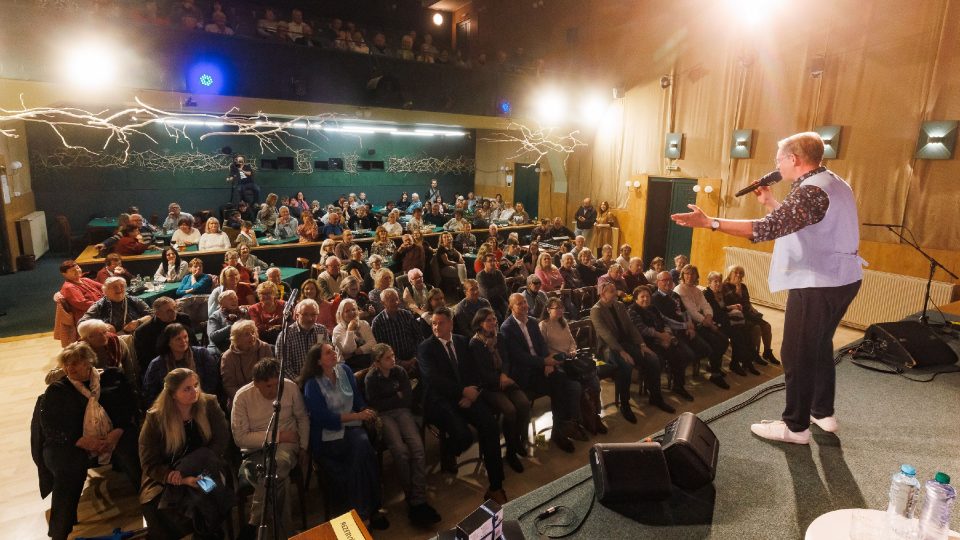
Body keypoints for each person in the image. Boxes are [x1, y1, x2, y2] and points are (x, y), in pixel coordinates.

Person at [671, 131, 863, 443]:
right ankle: (821, 412)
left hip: (819, 282)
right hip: (842, 277)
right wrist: (771, 201)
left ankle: (795, 426)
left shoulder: (811, 191)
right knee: (819, 344)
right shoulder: (831, 182)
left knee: (796, 351)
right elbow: (796, 223)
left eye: (779, 159)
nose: (776, 165)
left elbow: (767, 229)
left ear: (794, 159)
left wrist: (711, 223)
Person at [40, 343, 141, 540]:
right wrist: (82, 441)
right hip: (71, 442)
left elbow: (130, 407)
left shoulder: (113, 377)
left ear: (89, 362)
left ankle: (152, 505)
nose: (70, 368)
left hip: (115, 434)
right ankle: (60, 532)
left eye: (76, 364)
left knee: (132, 453)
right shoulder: (57, 390)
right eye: (67, 364)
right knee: (69, 470)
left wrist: (116, 433)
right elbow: (51, 426)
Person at [418, 307, 508, 503]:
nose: (435, 327)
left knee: (490, 426)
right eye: (433, 323)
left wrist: (473, 391)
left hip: (467, 395)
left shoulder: (461, 341)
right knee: (464, 436)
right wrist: (462, 391)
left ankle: (496, 485)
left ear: (450, 324)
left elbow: (474, 370)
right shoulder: (426, 348)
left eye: (440, 323)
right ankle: (448, 450)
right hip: (440, 399)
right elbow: (434, 380)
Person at [301, 343, 389, 529]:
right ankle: (371, 509)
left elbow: (356, 398)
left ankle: (363, 512)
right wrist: (356, 416)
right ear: (318, 361)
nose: (333, 353)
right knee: (363, 449)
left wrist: (364, 409)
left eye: (334, 350)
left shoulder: (345, 371)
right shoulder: (312, 384)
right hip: (328, 435)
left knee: (362, 449)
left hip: (352, 428)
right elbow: (322, 418)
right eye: (328, 352)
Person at [138, 368, 231, 539]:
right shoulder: (156, 418)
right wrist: (175, 477)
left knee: (209, 493)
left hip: (205, 470)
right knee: (154, 505)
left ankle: (208, 534)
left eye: (196, 385)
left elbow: (221, 440)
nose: (194, 391)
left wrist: (195, 470)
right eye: (187, 388)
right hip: (170, 474)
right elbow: (148, 461)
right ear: (173, 394)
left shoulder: (209, 403)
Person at [364, 343, 441, 526]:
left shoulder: (399, 371)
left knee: (417, 448)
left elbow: (407, 398)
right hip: (384, 416)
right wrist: (395, 396)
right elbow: (375, 404)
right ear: (377, 362)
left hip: (402, 411)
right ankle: (411, 495)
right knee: (400, 451)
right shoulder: (371, 378)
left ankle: (418, 497)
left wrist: (393, 399)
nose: (392, 360)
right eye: (388, 358)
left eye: (393, 356)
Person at [232, 359, 309, 539]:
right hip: (255, 449)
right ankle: (285, 534)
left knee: (276, 465)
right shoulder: (242, 397)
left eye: (277, 385)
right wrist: (279, 435)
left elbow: (302, 417)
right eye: (268, 386)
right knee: (277, 482)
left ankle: (253, 523)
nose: (274, 391)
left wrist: (304, 446)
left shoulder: (289, 388)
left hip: (286, 446)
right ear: (256, 383)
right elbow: (240, 438)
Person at [500, 293, 582, 453]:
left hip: (540, 367)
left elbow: (542, 345)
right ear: (511, 307)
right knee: (560, 386)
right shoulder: (507, 328)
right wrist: (544, 362)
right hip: (524, 373)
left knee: (563, 381)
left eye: (524, 302)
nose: (524, 305)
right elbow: (519, 357)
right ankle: (561, 430)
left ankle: (561, 428)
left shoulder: (532, 321)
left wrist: (546, 360)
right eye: (519, 304)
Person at [592, 282, 675, 419]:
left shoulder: (619, 305)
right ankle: (625, 404)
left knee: (653, 359)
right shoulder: (596, 310)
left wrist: (642, 344)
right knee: (626, 366)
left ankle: (656, 397)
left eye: (615, 290)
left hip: (626, 343)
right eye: (611, 291)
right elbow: (605, 334)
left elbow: (631, 327)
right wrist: (621, 352)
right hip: (609, 347)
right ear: (602, 294)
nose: (615, 293)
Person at [467, 307, 530, 473]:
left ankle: (516, 441)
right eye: (489, 320)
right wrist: (498, 379)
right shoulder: (475, 343)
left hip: (505, 380)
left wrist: (504, 374)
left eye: (494, 319)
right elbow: (481, 372)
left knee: (523, 403)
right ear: (480, 323)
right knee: (509, 410)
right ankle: (511, 451)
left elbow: (507, 359)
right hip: (489, 387)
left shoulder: (499, 337)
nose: (493, 322)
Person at [651, 271, 730, 390]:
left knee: (706, 349)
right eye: (664, 280)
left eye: (670, 280)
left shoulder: (674, 295)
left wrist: (689, 325)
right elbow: (666, 320)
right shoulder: (656, 298)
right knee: (687, 355)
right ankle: (678, 384)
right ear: (658, 282)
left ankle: (683, 369)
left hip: (685, 329)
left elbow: (685, 312)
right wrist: (686, 326)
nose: (668, 282)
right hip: (672, 332)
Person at [541, 297, 605, 434]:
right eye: (556, 308)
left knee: (594, 382)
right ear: (548, 310)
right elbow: (543, 348)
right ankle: (576, 420)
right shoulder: (544, 325)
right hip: (558, 362)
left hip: (571, 359)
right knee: (576, 387)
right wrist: (555, 358)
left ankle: (595, 416)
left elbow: (572, 342)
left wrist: (572, 350)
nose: (559, 310)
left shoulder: (563, 323)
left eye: (561, 307)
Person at [626, 285, 695, 400]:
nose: (645, 299)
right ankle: (654, 394)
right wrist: (661, 336)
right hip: (645, 343)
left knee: (680, 355)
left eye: (647, 296)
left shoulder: (652, 308)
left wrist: (668, 336)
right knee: (658, 361)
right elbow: (642, 330)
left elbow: (665, 321)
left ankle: (678, 386)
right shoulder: (632, 311)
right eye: (642, 297)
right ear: (636, 299)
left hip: (661, 340)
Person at [142, 323, 221, 406]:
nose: (183, 341)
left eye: (185, 337)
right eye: (178, 339)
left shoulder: (202, 354)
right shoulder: (157, 364)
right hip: (170, 406)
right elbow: (149, 392)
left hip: (201, 402)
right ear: (168, 342)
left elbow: (212, 381)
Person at [704, 271, 762, 376]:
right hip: (716, 323)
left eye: (719, 281)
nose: (718, 284)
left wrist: (732, 306)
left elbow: (723, 308)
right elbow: (716, 312)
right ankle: (735, 364)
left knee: (746, 331)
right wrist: (730, 311)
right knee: (738, 335)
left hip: (725, 321)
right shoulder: (707, 293)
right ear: (709, 283)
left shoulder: (720, 293)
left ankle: (746, 361)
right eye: (715, 281)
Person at [723, 265, 779, 365]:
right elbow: (731, 304)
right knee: (756, 328)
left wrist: (753, 309)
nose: (738, 275)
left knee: (767, 326)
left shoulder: (743, 286)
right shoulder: (724, 286)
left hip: (747, 313)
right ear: (730, 274)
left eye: (740, 273)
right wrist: (737, 291)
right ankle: (755, 354)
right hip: (736, 316)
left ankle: (767, 352)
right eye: (736, 272)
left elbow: (746, 302)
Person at [133, 296, 197, 381]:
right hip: (162, 366)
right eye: (169, 311)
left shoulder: (183, 319)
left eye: (175, 308)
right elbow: (145, 361)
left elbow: (194, 342)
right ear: (157, 314)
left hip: (187, 358)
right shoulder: (143, 332)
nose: (174, 312)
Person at [220, 319, 274, 406]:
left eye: (253, 332)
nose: (252, 336)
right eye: (246, 334)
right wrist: (245, 400)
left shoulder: (265, 348)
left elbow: (271, 376)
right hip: (240, 399)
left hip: (265, 395)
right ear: (237, 338)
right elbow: (229, 386)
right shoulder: (228, 357)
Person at [276, 299, 330, 381]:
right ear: (297, 316)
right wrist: (300, 382)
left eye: (313, 315)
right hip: (296, 382)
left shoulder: (321, 331)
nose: (310, 319)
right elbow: (284, 367)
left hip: (320, 379)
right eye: (305, 315)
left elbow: (325, 356)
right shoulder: (285, 335)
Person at [371, 289, 422, 374]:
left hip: (415, 358)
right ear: (383, 303)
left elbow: (419, 337)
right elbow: (381, 349)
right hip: (392, 363)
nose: (396, 302)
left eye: (397, 299)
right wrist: (401, 363)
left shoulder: (407, 315)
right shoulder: (378, 322)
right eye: (392, 301)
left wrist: (415, 357)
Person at [79, 277, 152, 336]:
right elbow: (82, 323)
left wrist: (138, 322)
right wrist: (102, 326)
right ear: (105, 291)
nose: (119, 289)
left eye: (122, 286)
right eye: (115, 287)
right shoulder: (99, 305)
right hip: (112, 340)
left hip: (137, 336)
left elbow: (152, 315)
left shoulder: (134, 301)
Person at [332, 298, 377, 371]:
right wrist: (350, 330)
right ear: (341, 314)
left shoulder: (364, 324)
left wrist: (355, 352)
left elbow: (373, 343)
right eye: (347, 311)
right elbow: (348, 350)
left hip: (368, 361)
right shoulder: (337, 330)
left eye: (353, 309)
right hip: (348, 366)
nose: (351, 313)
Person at [59, 260, 104, 331]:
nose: (77, 271)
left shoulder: (84, 279)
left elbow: (104, 287)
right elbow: (83, 304)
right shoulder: (69, 287)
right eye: (72, 270)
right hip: (89, 316)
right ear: (64, 274)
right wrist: (104, 304)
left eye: (77, 268)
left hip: (99, 310)